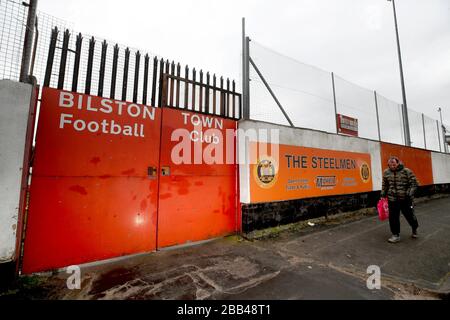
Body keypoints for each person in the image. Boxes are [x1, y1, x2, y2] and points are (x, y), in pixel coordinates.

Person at [381, 156, 419, 243]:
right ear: (388, 165)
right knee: (393, 218)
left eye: (394, 164)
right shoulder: (386, 172)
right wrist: (383, 194)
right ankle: (395, 235)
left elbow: (414, 183)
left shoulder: (406, 171)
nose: (392, 166)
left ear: (398, 163)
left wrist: (409, 193)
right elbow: (384, 185)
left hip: (405, 199)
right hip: (392, 199)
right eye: (390, 164)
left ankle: (414, 227)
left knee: (410, 216)